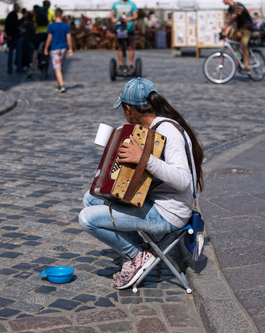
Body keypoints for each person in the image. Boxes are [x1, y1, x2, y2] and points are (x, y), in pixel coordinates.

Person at [78, 78, 204, 290]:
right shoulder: (153, 128)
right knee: (90, 198)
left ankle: (136, 256)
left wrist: (143, 159)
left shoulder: (168, 131)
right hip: (155, 202)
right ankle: (141, 248)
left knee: (86, 218)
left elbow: (183, 181)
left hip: (169, 214)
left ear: (129, 110)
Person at [44, 7, 72, 93]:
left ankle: (62, 85)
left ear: (54, 15)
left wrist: (46, 48)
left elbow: (49, 38)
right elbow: (69, 37)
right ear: (62, 15)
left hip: (55, 49)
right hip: (63, 49)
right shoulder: (65, 25)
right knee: (60, 68)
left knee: (57, 68)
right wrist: (70, 48)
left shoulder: (51, 26)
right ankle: (58, 84)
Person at [221, 0, 254, 72]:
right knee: (231, 43)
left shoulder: (238, 5)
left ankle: (246, 66)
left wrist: (225, 26)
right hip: (239, 28)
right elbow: (231, 22)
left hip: (247, 27)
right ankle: (241, 58)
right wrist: (224, 33)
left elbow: (233, 18)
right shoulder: (230, 9)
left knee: (243, 44)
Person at [111, 0, 138, 71]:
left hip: (129, 29)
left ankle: (131, 65)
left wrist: (130, 18)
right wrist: (113, 19)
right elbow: (112, 15)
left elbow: (135, 15)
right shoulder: (116, 4)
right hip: (120, 29)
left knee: (130, 47)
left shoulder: (132, 4)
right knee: (120, 47)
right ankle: (121, 64)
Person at [30, 1, 55, 75]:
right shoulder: (51, 12)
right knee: (50, 48)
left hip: (39, 32)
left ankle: (32, 68)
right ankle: (49, 59)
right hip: (48, 33)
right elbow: (54, 22)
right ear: (49, 5)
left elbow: (34, 24)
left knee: (36, 50)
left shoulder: (38, 12)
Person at [5, 3, 23, 74]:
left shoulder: (12, 15)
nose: (18, 9)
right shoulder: (13, 15)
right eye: (18, 8)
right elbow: (12, 26)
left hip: (13, 37)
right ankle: (17, 68)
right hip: (14, 37)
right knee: (17, 53)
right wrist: (9, 35)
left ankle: (14, 68)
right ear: (14, 7)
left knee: (12, 53)